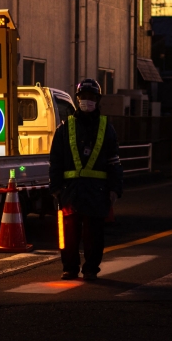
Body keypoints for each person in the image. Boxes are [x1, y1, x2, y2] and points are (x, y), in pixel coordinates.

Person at [49, 78, 123, 281]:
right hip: (70, 191)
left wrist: (115, 188)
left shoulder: (107, 128)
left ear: (97, 100)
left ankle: (91, 269)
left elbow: (114, 161)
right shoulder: (64, 128)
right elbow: (55, 161)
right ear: (78, 98)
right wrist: (56, 189)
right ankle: (69, 269)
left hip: (97, 192)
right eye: (83, 97)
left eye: (91, 98)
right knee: (69, 236)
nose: (87, 101)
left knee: (94, 235)